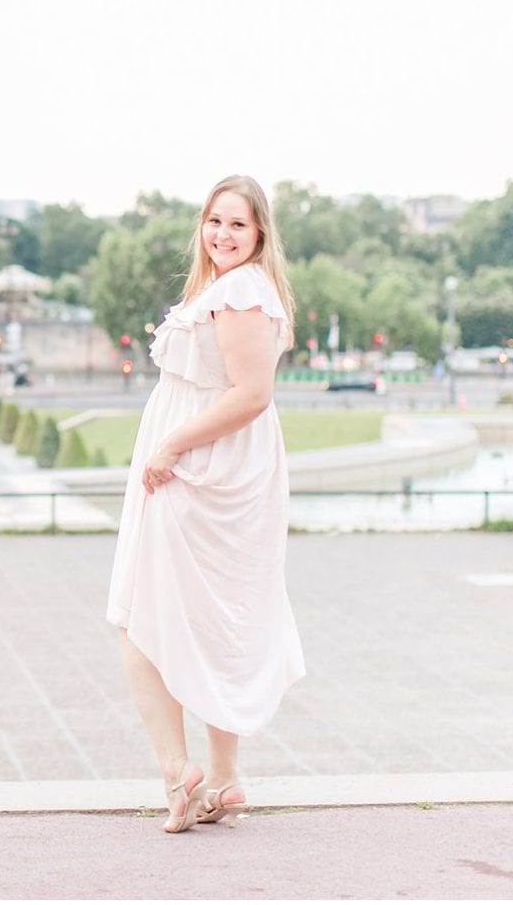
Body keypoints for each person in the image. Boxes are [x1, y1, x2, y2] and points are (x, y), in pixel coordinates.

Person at [106, 174, 306, 834]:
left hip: (199, 467)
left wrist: (168, 448)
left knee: (141, 614)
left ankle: (177, 772)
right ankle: (219, 778)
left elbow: (252, 393)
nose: (221, 234)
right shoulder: (231, 288)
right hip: (211, 464)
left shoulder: (243, 289)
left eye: (237, 225)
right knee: (215, 616)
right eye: (213, 221)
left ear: (259, 235)